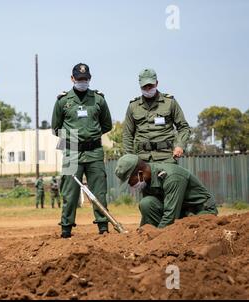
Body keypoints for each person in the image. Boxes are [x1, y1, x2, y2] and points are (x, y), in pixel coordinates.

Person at [51, 63, 112, 238]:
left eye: (85, 79)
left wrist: (90, 135)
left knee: (99, 192)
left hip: (94, 152)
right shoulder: (63, 101)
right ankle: (66, 229)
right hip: (72, 153)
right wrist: (71, 141)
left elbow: (107, 124)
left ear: (90, 79)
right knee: (70, 193)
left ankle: (103, 228)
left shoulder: (98, 99)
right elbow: (56, 128)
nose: (82, 82)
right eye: (79, 79)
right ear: (72, 79)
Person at [114, 154, 218, 228]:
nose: (130, 185)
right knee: (146, 203)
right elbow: (151, 214)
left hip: (199, 211)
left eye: (130, 181)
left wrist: (157, 237)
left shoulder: (171, 177)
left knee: (188, 230)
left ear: (139, 173)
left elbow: (170, 217)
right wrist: (143, 233)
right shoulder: (146, 181)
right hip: (179, 212)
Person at [122, 68, 191, 163]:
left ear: (156, 83)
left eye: (150, 85)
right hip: (141, 159)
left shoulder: (170, 102)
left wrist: (179, 145)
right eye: (144, 86)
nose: (147, 89)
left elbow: (184, 127)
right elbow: (127, 135)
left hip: (166, 157)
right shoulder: (133, 106)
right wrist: (129, 158)